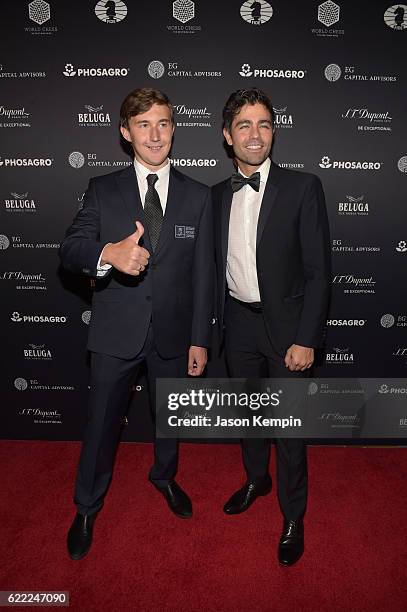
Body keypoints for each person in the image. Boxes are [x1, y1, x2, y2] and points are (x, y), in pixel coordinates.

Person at [60, 87, 213, 560]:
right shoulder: (102, 188)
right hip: (115, 332)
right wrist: (109, 253)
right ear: (126, 134)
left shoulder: (199, 195)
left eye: (163, 123)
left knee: (170, 419)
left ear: (174, 130)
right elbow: (71, 248)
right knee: (102, 423)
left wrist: (200, 340)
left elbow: (204, 274)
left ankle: (164, 477)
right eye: (143, 124)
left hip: (172, 333)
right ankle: (87, 505)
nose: (154, 134)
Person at [213, 88, 331, 566]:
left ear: (273, 131)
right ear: (227, 135)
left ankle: (293, 514)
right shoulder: (217, 196)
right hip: (237, 325)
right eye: (244, 125)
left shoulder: (304, 187)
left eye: (263, 124)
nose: (254, 134)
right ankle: (255, 481)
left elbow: (319, 272)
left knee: (289, 431)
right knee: (249, 418)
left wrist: (307, 338)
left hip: (287, 332)